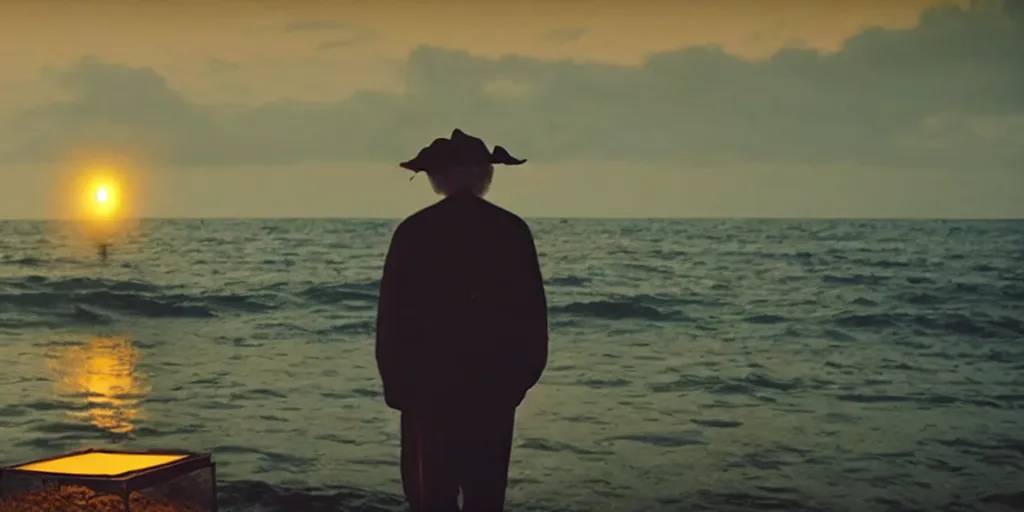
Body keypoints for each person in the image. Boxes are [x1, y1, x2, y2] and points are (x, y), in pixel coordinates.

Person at [375, 129, 549, 512]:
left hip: (428, 391)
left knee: (430, 497)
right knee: (485, 496)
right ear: (482, 174)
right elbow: (533, 321)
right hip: (492, 390)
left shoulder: (414, 231)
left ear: (440, 178)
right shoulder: (511, 230)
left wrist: (396, 385)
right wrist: (516, 384)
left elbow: (391, 319)